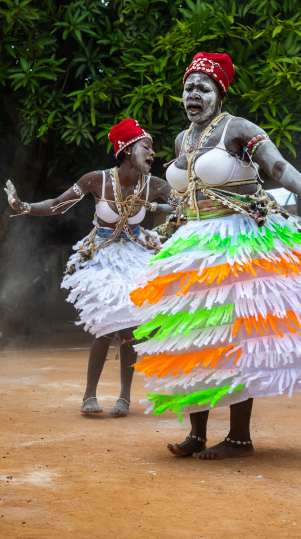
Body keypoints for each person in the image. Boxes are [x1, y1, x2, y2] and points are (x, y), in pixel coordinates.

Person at [130, 52, 301, 459]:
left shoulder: (238, 128)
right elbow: (185, 196)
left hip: (237, 242)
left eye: (203, 87)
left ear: (219, 92)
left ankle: (239, 437)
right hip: (193, 246)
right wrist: (158, 226)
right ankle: (196, 433)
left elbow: (277, 166)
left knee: (234, 338)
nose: (193, 93)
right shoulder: (182, 139)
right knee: (194, 338)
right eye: (188, 86)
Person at [4, 119, 175, 417]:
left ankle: (124, 398)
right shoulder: (97, 180)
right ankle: (89, 396)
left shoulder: (157, 186)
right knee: (107, 325)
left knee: (132, 327)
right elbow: (58, 205)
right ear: (126, 149)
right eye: (146, 147)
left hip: (136, 254)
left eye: (153, 149)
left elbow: (188, 206)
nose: (152, 154)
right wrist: (24, 206)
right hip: (101, 256)